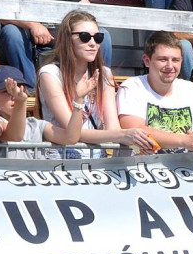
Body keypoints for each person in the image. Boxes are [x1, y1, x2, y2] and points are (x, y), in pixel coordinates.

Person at [37, 10, 156, 158]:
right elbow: (73, 132)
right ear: (68, 39)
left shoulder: (104, 74)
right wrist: (125, 134)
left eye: (98, 37)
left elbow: (113, 128)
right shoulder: (50, 74)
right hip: (60, 159)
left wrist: (136, 144)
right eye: (85, 37)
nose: (93, 43)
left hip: (97, 160)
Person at [118, 31, 193, 155]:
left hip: (183, 169)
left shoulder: (189, 89)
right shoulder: (132, 86)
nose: (170, 66)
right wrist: (184, 141)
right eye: (163, 59)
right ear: (147, 61)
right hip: (139, 168)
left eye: (175, 60)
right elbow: (134, 131)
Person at [0, 65, 83, 159]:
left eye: (19, 88)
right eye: (6, 91)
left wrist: (79, 100)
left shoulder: (35, 124)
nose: (14, 95)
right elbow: (14, 135)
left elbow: (70, 138)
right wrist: (20, 102)